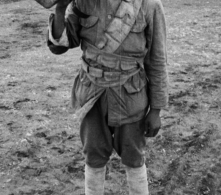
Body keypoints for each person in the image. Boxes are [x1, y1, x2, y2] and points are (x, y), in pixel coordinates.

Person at [46, 0, 168, 194]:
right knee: (93, 157)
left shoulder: (149, 5)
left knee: (134, 158)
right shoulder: (82, 3)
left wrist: (156, 110)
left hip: (130, 97)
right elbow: (59, 46)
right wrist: (60, 8)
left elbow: (157, 59)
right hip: (92, 95)